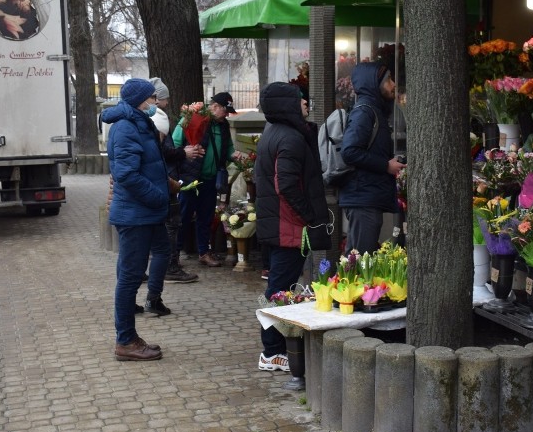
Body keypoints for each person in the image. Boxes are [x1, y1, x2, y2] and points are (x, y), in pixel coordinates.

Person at [254, 82, 329, 371]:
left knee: (279, 286)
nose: (306, 103)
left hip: (281, 225)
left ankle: (275, 347)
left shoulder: (275, 132)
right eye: (300, 99)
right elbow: (285, 184)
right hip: (289, 229)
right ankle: (272, 351)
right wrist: (310, 217)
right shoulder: (290, 138)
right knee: (279, 290)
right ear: (288, 105)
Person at [102, 78, 178, 361]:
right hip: (136, 214)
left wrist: (166, 183)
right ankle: (125, 341)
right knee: (130, 277)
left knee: (161, 250)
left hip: (146, 212)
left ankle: (131, 336)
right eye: (150, 98)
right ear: (139, 101)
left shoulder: (138, 122)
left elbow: (147, 165)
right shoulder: (125, 127)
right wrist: (158, 196)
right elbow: (127, 175)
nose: (154, 103)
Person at [338, 61, 407, 255]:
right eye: (388, 80)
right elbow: (349, 151)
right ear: (373, 84)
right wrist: (385, 165)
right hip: (363, 198)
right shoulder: (364, 112)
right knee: (359, 260)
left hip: (367, 196)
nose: (393, 84)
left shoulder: (373, 110)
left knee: (360, 258)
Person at [172, 91, 240, 268]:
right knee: (184, 216)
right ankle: (174, 254)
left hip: (210, 179)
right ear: (216, 107)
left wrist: (236, 155)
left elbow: (229, 148)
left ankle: (204, 252)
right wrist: (186, 152)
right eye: (226, 110)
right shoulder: (194, 119)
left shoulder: (223, 125)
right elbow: (175, 143)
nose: (227, 115)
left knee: (206, 217)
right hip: (191, 177)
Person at [149, 77, 201, 284]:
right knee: (171, 224)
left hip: (167, 178)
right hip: (166, 180)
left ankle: (164, 266)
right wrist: (183, 153)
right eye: (165, 98)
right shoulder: (155, 120)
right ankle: (170, 266)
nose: (168, 101)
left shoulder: (155, 118)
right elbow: (163, 151)